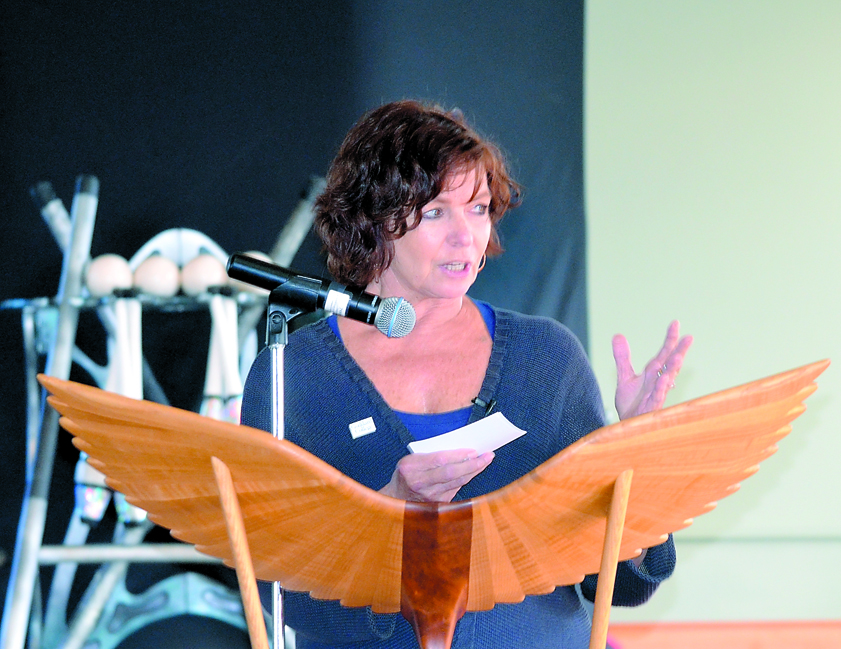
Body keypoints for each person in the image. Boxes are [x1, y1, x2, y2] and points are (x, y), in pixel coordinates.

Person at [241, 100, 692, 648]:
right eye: (435, 212)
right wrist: (391, 512)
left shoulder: (546, 359)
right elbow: (275, 587)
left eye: (478, 208)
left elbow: (618, 584)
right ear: (373, 221)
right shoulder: (296, 372)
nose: (465, 236)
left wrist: (633, 463)